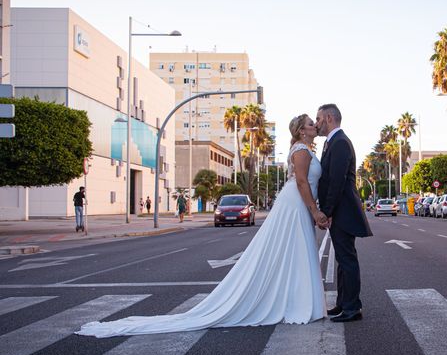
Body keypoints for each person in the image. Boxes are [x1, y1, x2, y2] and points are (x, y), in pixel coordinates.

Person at [75, 114, 325, 337]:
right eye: (311, 124)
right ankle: (295, 301)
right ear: (301, 131)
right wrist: (315, 211)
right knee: (295, 250)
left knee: (295, 252)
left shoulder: (303, 148)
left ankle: (295, 298)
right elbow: (302, 183)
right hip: (295, 205)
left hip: (297, 204)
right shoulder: (301, 149)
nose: (315, 125)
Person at [316, 104, 373, 323]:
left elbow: (337, 182)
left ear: (329, 118)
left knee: (347, 259)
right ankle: (343, 303)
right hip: (340, 211)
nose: (317, 122)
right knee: (343, 259)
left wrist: (326, 211)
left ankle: (352, 308)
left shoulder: (340, 142)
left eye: (319, 118)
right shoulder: (333, 142)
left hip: (344, 211)